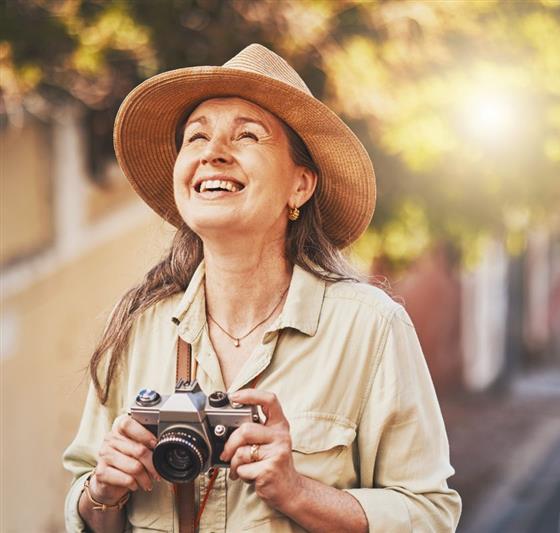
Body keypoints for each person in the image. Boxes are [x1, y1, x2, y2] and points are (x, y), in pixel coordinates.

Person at [63, 44, 461, 533]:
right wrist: (101, 493)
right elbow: (90, 502)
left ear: (300, 185)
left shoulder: (370, 327)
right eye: (196, 137)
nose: (212, 153)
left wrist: (297, 492)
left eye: (247, 135)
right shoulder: (138, 327)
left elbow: (431, 516)